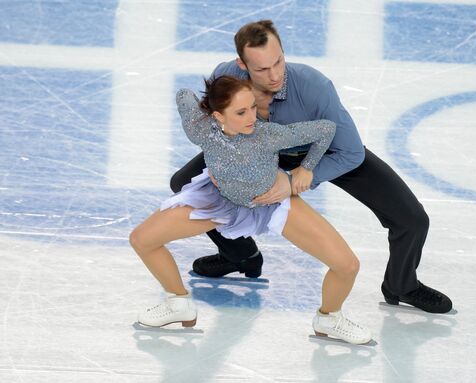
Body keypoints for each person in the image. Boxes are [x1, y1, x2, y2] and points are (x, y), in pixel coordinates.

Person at [170, 20, 453, 314]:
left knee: (412, 219)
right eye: (262, 69)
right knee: (185, 184)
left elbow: (350, 152)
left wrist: (294, 179)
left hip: (325, 150)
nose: (275, 74)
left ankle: (401, 285)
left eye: (278, 61)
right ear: (242, 64)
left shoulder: (315, 87)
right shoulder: (225, 77)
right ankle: (240, 255)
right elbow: (214, 125)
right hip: (255, 148)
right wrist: (219, 162)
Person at [130, 75, 372, 345]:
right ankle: (178, 303)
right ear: (218, 116)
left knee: (348, 265)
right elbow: (183, 96)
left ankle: (329, 318)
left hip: (272, 203)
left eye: (253, 108)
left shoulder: (267, 135)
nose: (252, 118)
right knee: (142, 239)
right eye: (241, 112)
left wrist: (306, 168)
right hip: (219, 200)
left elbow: (326, 128)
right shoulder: (200, 129)